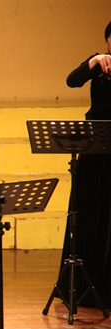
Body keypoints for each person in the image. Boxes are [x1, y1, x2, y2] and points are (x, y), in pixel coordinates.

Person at [59, 21, 111, 308]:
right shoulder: (98, 63)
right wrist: (94, 61)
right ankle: (83, 285)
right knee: (89, 213)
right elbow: (72, 80)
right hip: (95, 153)